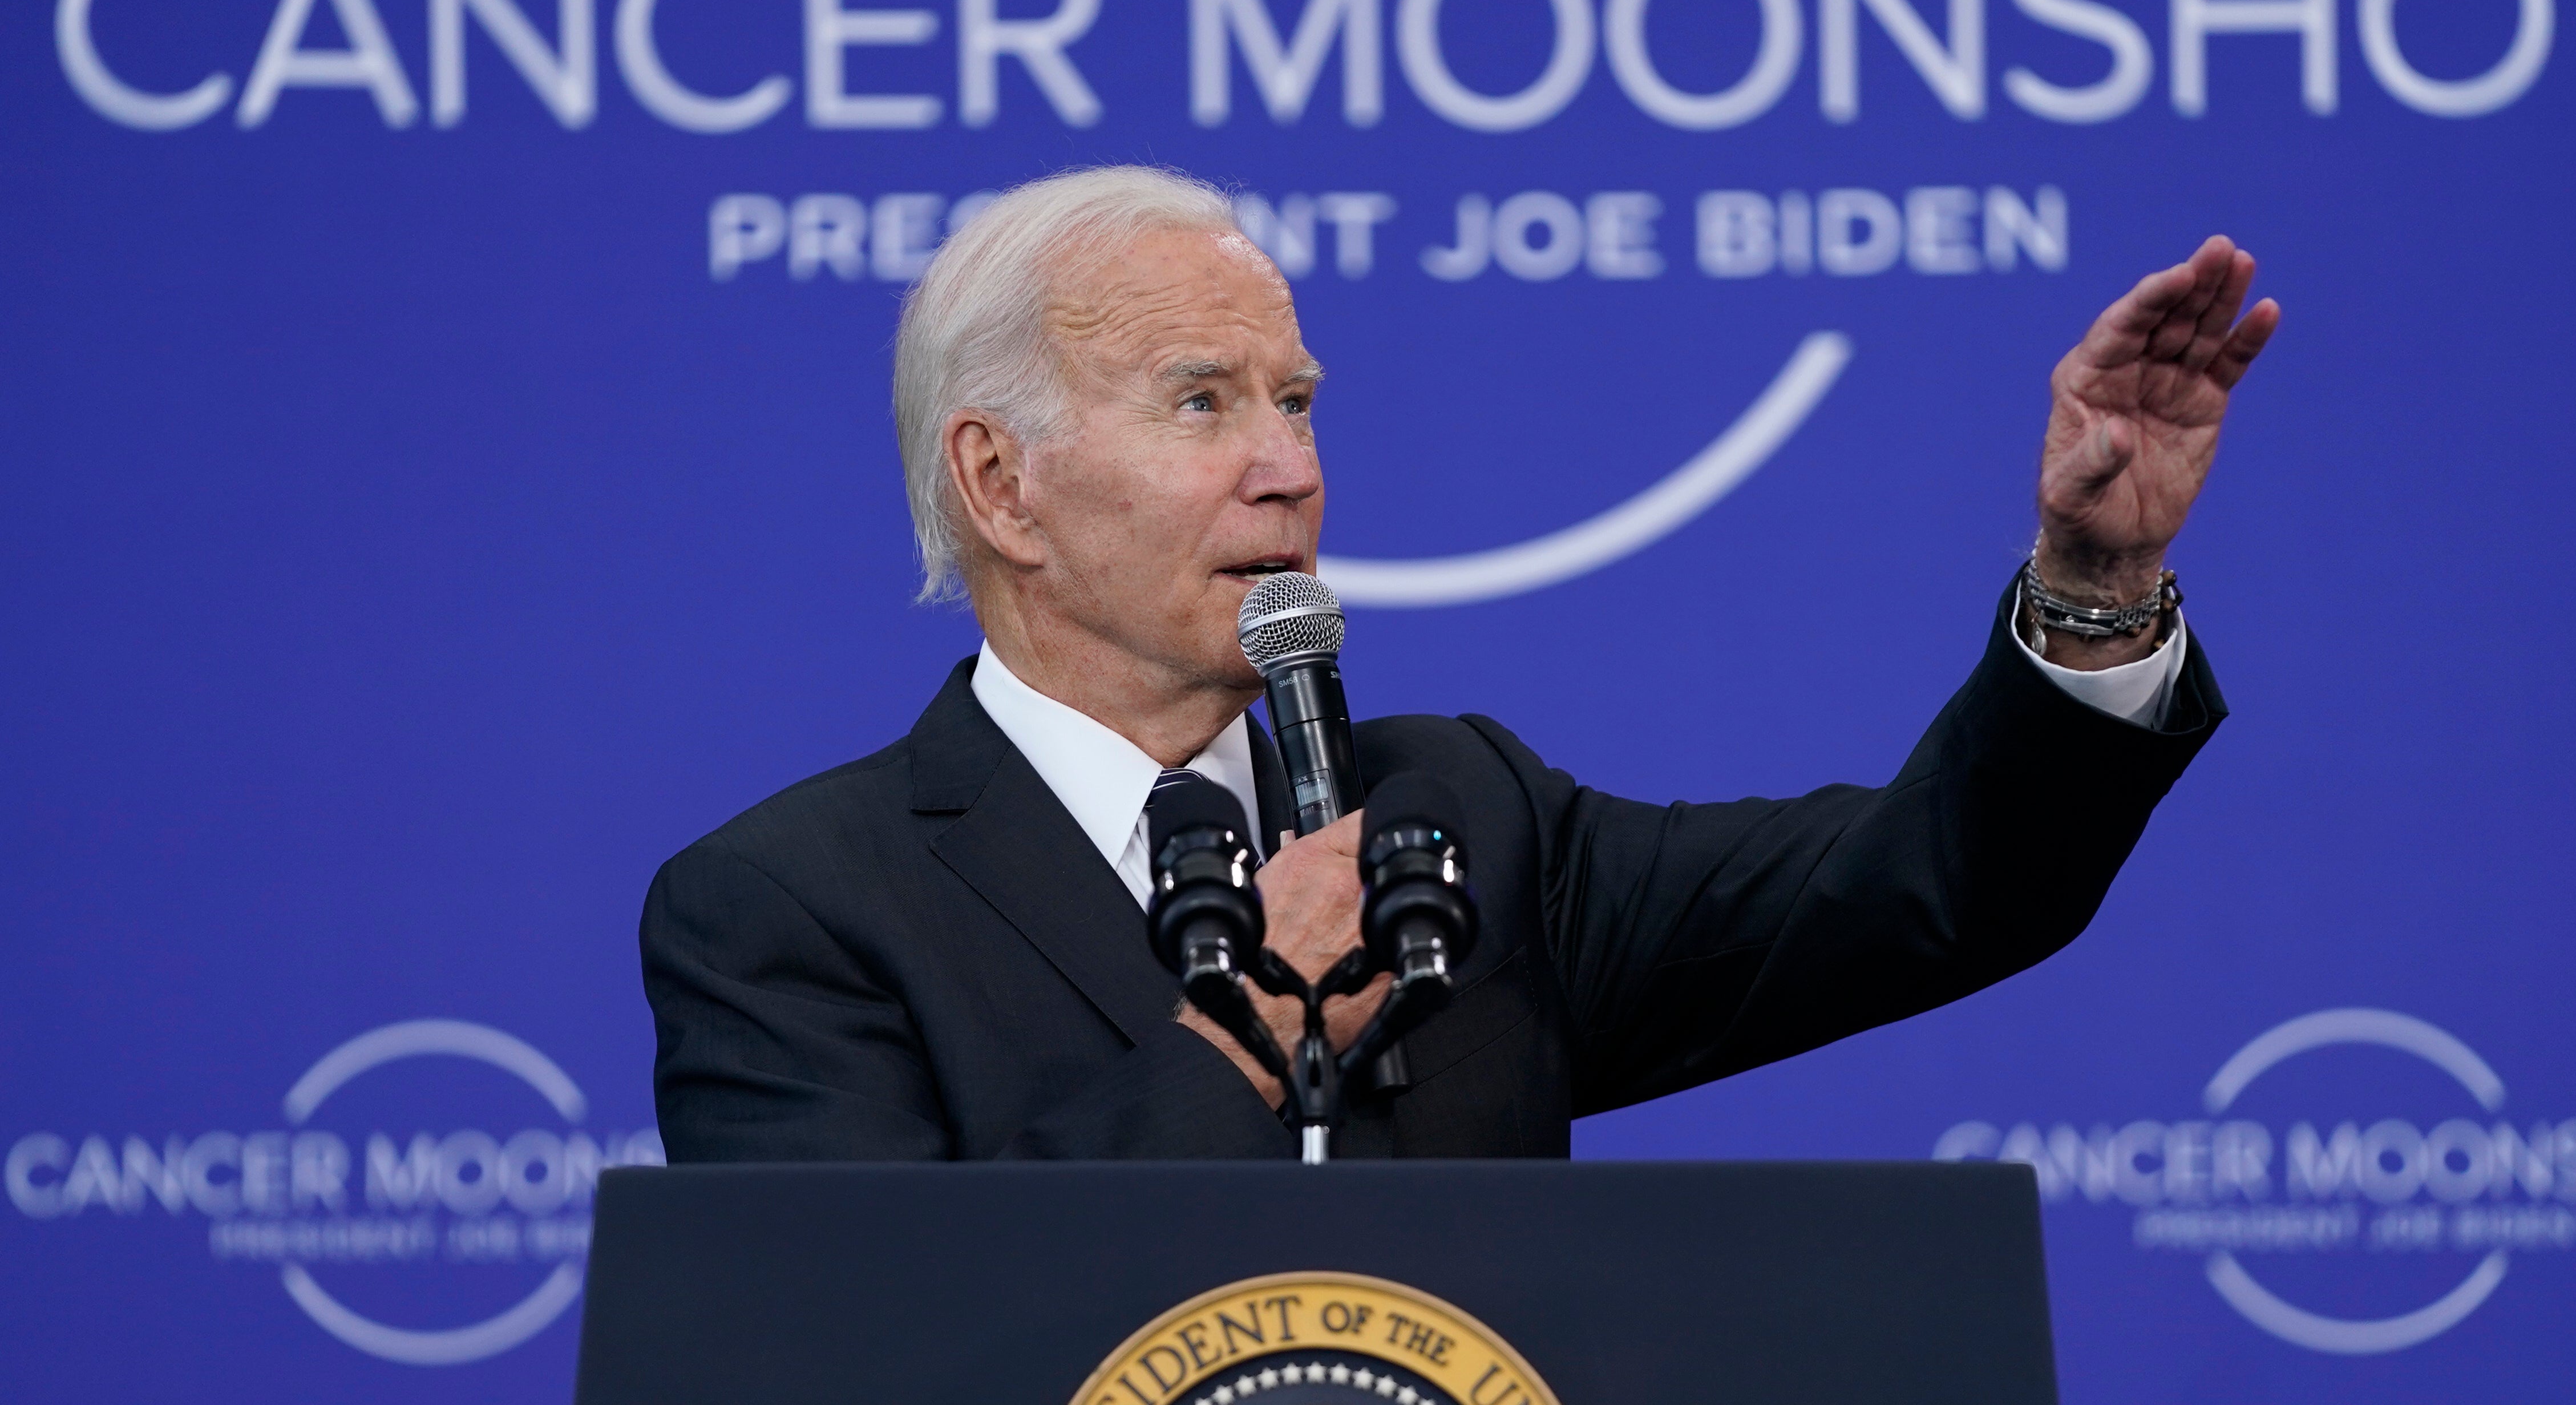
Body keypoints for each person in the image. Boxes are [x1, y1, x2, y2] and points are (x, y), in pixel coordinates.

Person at [640, 165, 2277, 1160]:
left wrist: (2096, 576)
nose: (1288, 467)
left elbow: (1935, 882)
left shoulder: (1455, 815)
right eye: (1205, 402)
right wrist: (1253, 1026)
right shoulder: (792, 910)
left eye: (1299, 402)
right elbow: (855, 1342)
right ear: (1002, 483)